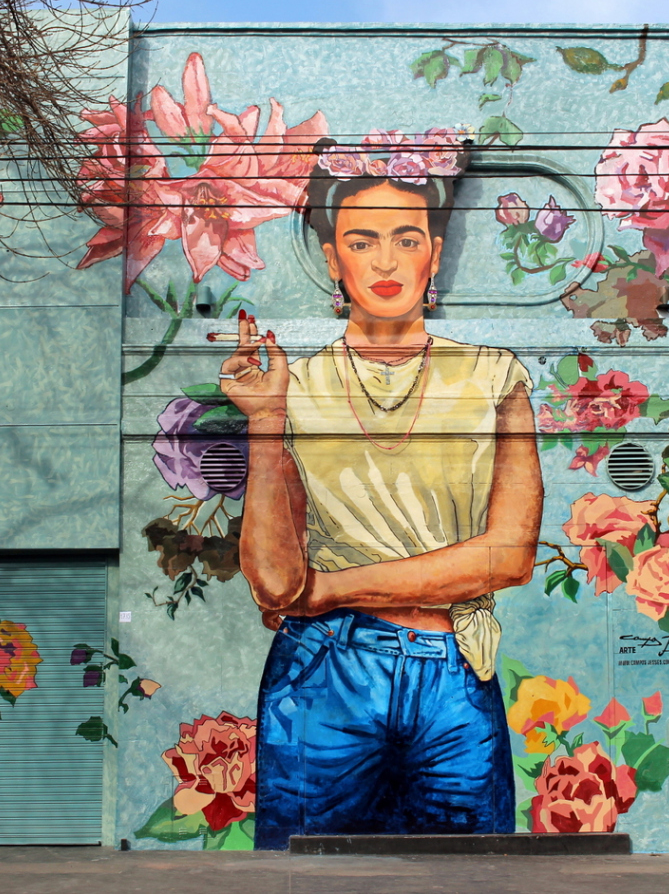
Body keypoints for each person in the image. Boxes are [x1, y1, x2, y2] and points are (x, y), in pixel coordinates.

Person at [223, 130, 543, 849]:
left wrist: (335, 588)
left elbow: (510, 554)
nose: (387, 261)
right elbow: (276, 585)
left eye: (407, 238)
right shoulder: (295, 387)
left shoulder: (496, 376)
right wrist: (267, 419)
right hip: (322, 674)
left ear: (435, 249)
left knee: (471, 875)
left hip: (455, 675)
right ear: (333, 259)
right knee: (306, 876)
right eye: (362, 242)